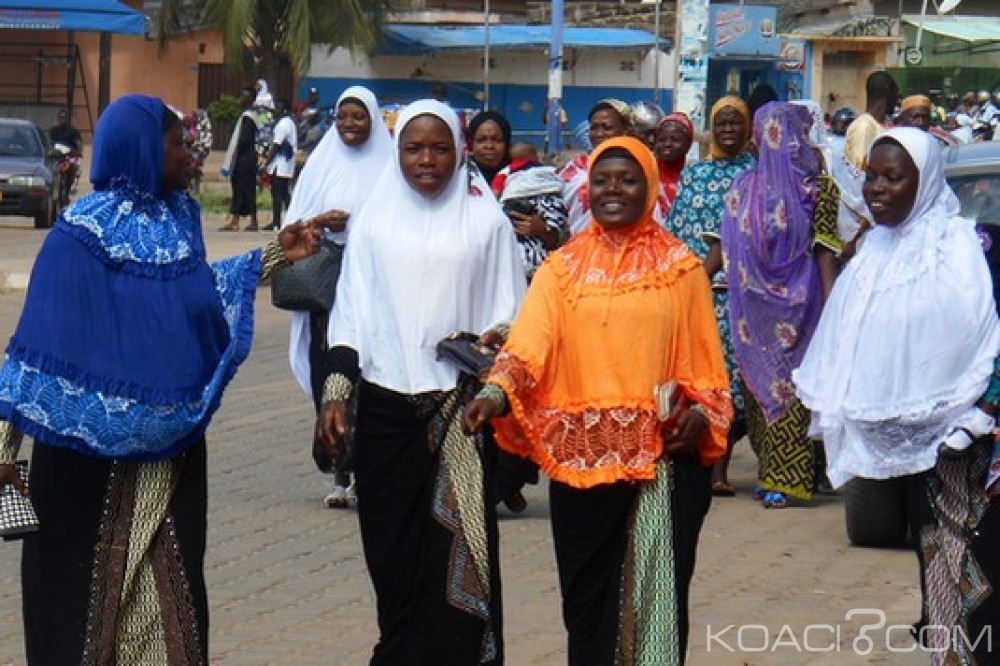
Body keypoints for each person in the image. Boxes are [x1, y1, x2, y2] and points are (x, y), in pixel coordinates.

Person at [0, 94, 325, 664]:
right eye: (176, 144)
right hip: (81, 465)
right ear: (142, 150)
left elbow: (193, 297)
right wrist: (4, 450)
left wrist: (273, 255)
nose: (188, 155)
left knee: (168, 608)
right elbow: (36, 352)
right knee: (78, 613)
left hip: (168, 461)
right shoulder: (78, 234)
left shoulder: (180, 218)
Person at [464, 136, 733, 665]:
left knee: (653, 609)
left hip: (657, 466)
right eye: (602, 180)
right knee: (587, 608)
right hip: (578, 467)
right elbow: (530, 344)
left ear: (649, 188)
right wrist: (496, 392)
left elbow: (708, 367)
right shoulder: (561, 269)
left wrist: (702, 414)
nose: (613, 190)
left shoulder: (681, 270)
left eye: (628, 180)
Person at [315, 99, 525, 664]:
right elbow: (350, 314)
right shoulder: (373, 223)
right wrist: (335, 394)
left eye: (438, 148)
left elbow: (514, 311)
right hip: (384, 414)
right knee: (391, 556)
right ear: (397, 152)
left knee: (463, 555)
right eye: (413, 148)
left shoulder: (485, 223)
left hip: (460, 414)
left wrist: (492, 348)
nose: (426, 160)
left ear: (459, 152)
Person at [793, 127, 1000, 663]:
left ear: (924, 182)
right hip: (914, 448)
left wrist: (984, 406)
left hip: (978, 444)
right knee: (939, 566)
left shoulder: (971, 249)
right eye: (872, 177)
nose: (877, 189)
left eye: (894, 177)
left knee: (983, 569)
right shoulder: (871, 255)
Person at [720, 102, 840, 508]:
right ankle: (771, 469)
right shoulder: (742, 186)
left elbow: (825, 249)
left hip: (803, 309)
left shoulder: (819, 189)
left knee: (795, 392)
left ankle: (789, 477)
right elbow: (732, 247)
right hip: (754, 314)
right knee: (760, 396)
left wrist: (833, 307)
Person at [283, 85, 393, 509]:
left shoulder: (389, 165)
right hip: (326, 290)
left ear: (373, 119)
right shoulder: (321, 163)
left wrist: (360, 224)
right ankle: (338, 470)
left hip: (374, 287)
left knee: (368, 375)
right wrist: (318, 221)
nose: (349, 124)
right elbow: (293, 226)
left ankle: (366, 469)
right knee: (326, 372)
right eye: (342, 116)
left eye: (358, 116)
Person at [666, 95, 756, 497]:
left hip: (736, 294)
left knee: (730, 379)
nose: (729, 129)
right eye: (722, 122)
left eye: (736, 122)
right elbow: (676, 228)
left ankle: (720, 467)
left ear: (748, 127)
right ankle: (695, 459)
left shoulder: (756, 174)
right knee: (697, 375)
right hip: (692, 289)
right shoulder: (694, 174)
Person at [837, 71, 898, 257]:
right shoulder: (864, 127)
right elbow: (858, 179)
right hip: (859, 227)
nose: (897, 102)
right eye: (896, 96)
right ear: (888, 94)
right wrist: (859, 230)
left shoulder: (880, 127)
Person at [493, 141, 569, 280]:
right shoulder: (549, 172)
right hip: (535, 261)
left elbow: (495, 192)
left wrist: (540, 229)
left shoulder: (505, 172)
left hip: (521, 260)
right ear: (536, 156)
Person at [560, 99, 634, 236]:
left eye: (607, 127)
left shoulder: (638, 169)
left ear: (625, 130)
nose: (599, 134)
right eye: (594, 128)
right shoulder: (575, 168)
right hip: (577, 245)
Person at [220, 86, 260, 231]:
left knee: (241, 189)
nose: (240, 98)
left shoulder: (248, 118)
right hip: (249, 158)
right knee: (246, 189)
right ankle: (249, 220)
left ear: (250, 99)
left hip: (244, 159)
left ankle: (237, 221)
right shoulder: (253, 116)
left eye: (244, 96)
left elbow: (244, 140)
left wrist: (236, 150)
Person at [263, 98, 297, 231]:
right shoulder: (289, 122)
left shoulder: (283, 125)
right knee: (283, 194)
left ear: (284, 110)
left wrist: (266, 163)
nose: (275, 110)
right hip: (285, 164)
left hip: (282, 164)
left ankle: (277, 223)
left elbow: (276, 145)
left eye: (278, 108)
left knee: (278, 194)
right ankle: (289, 220)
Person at [654, 111, 695, 216]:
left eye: (675, 140)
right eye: (662, 140)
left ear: (688, 144)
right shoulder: (647, 174)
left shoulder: (696, 178)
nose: (667, 144)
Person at [49, 108, 83, 208]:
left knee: (73, 167)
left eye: (64, 117)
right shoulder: (53, 131)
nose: (62, 119)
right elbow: (50, 143)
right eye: (61, 117)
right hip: (56, 156)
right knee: (50, 170)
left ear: (68, 119)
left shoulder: (74, 132)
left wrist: (78, 152)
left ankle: (68, 189)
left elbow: (79, 143)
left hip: (70, 156)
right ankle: (52, 190)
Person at [467, 110, 512, 185]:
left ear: (507, 144)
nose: (489, 146)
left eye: (497, 140)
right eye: (481, 140)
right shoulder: (459, 178)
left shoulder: (521, 176)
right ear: (471, 144)